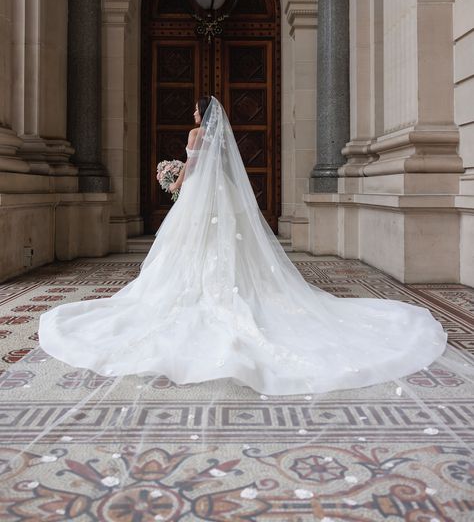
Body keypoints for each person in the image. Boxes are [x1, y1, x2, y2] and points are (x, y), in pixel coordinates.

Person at [38, 96, 448, 396]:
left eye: (197, 111)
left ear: (202, 115)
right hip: (220, 195)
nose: (195, 116)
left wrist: (173, 182)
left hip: (198, 193)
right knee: (222, 243)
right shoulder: (212, 138)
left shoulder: (196, 134)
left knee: (188, 246)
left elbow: (194, 165)